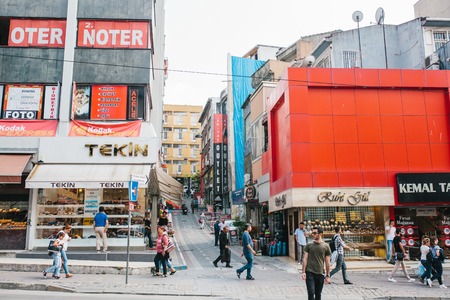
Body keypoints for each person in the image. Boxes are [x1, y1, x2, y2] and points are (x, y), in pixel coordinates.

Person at [302, 226, 331, 300]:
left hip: (320, 273)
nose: (313, 234)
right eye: (312, 233)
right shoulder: (309, 245)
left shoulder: (326, 246)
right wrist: (303, 272)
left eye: (315, 233)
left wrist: (328, 275)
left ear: (320, 234)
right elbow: (305, 259)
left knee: (318, 294)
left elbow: (327, 262)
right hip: (310, 272)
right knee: (311, 293)